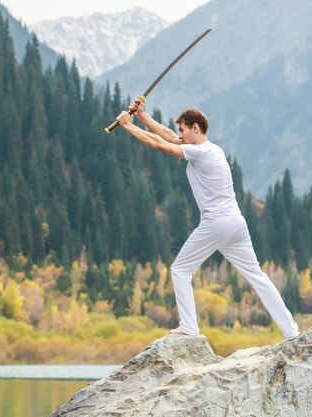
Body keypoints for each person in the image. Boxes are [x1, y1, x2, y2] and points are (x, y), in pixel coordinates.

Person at [116, 98, 300, 340]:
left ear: (195, 128)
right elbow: (170, 136)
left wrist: (128, 126)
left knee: (180, 270)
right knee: (258, 277)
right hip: (236, 224)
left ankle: (190, 328)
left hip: (217, 223)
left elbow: (160, 144)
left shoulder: (199, 152)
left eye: (184, 129)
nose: (180, 135)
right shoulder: (213, 149)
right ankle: (292, 331)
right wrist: (142, 116)